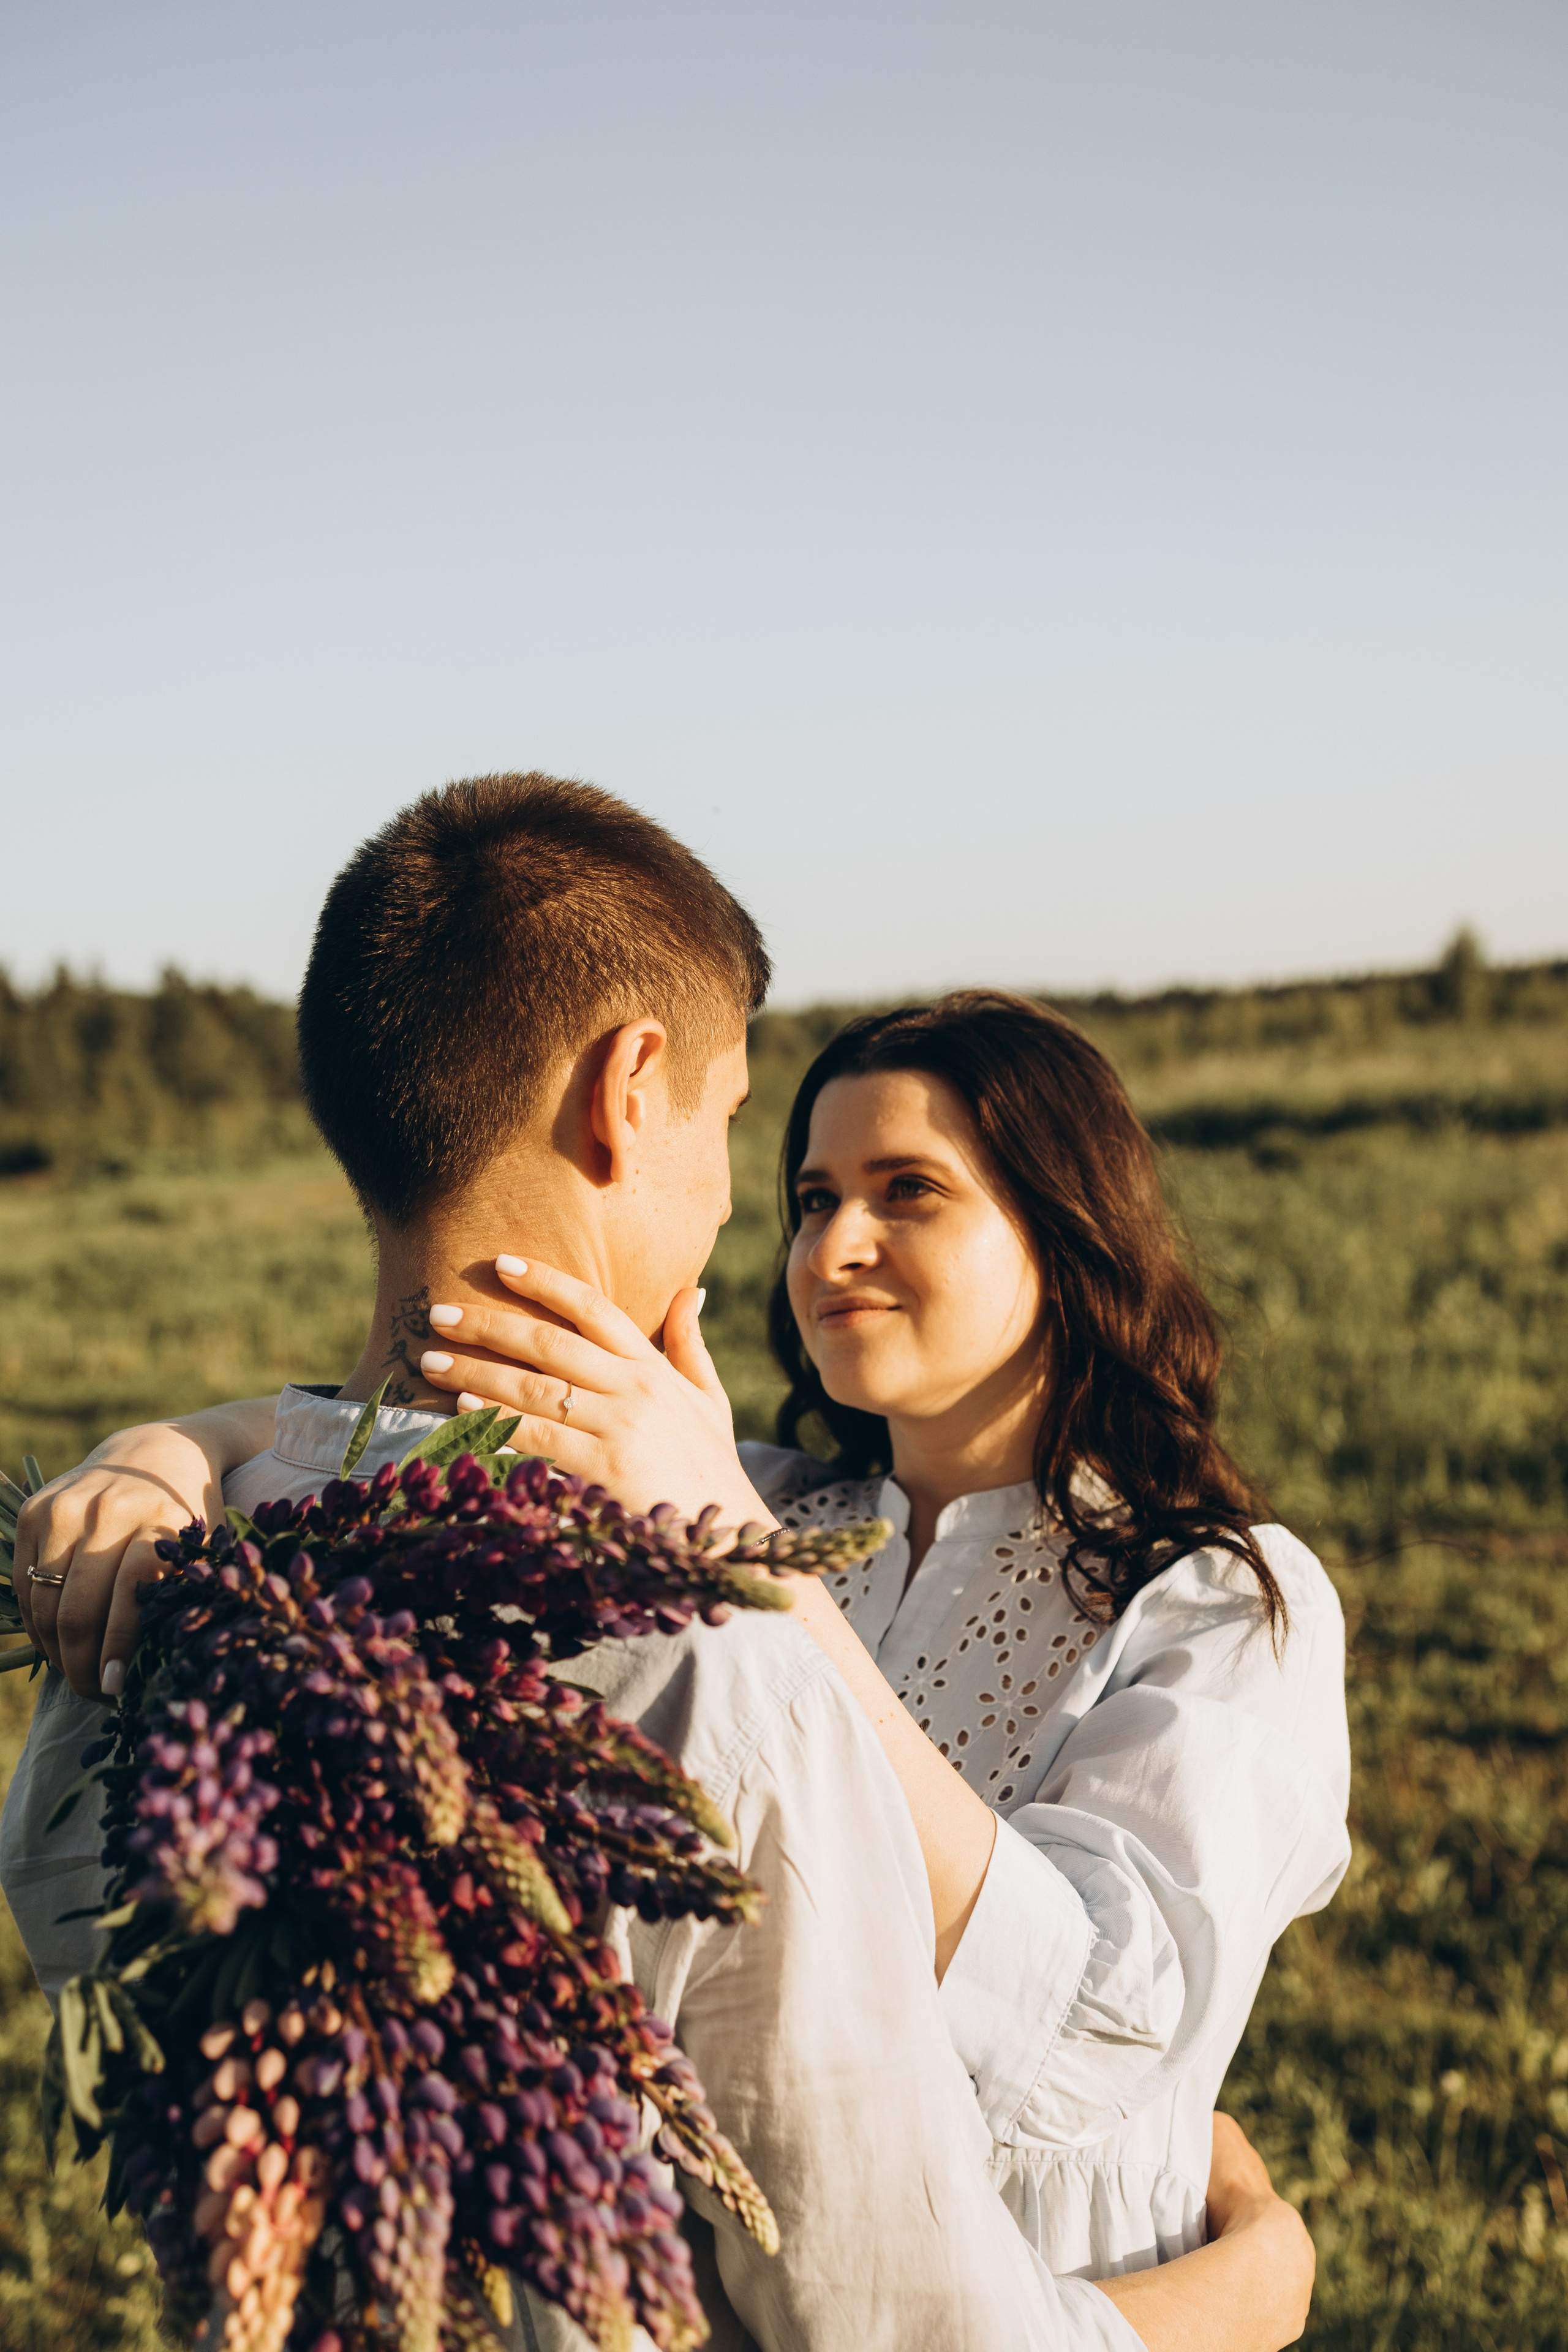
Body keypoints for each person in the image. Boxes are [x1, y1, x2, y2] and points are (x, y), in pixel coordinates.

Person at [3, 774, 1313, 2352]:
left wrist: (169, 1454)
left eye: (906, 1193)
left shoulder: (135, 1601)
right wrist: (1235, 2306)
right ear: (633, 1090)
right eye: (753, 1141)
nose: (788, 1232)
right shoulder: (722, 1646)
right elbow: (904, 2322)